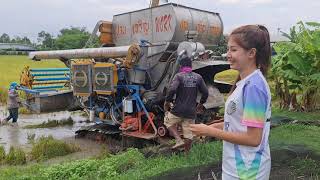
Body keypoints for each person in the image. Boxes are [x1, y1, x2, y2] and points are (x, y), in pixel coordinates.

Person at [190, 25, 272, 180]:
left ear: (251, 53)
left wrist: (211, 132)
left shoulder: (253, 87)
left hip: (248, 170)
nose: (228, 55)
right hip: (237, 167)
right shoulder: (246, 83)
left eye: (233, 50)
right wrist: (213, 126)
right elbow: (239, 122)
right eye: (228, 50)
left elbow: (254, 139)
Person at [164, 56, 208, 151]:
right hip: (191, 112)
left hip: (177, 110)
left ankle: (178, 140)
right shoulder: (198, 77)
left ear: (180, 66)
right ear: (191, 66)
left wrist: (167, 101)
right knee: (188, 134)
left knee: (167, 121)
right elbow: (205, 92)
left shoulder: (179, 76)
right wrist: (200, 104)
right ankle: (187, 155)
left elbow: (172, 89)